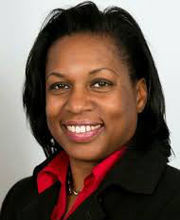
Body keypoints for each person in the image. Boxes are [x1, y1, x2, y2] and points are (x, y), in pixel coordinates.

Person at [1, 1, 180, 220]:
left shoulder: (174, 202)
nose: (76, 104)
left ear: (139, 95)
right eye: (60, 86)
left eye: (100, 83)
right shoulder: (20, 197)